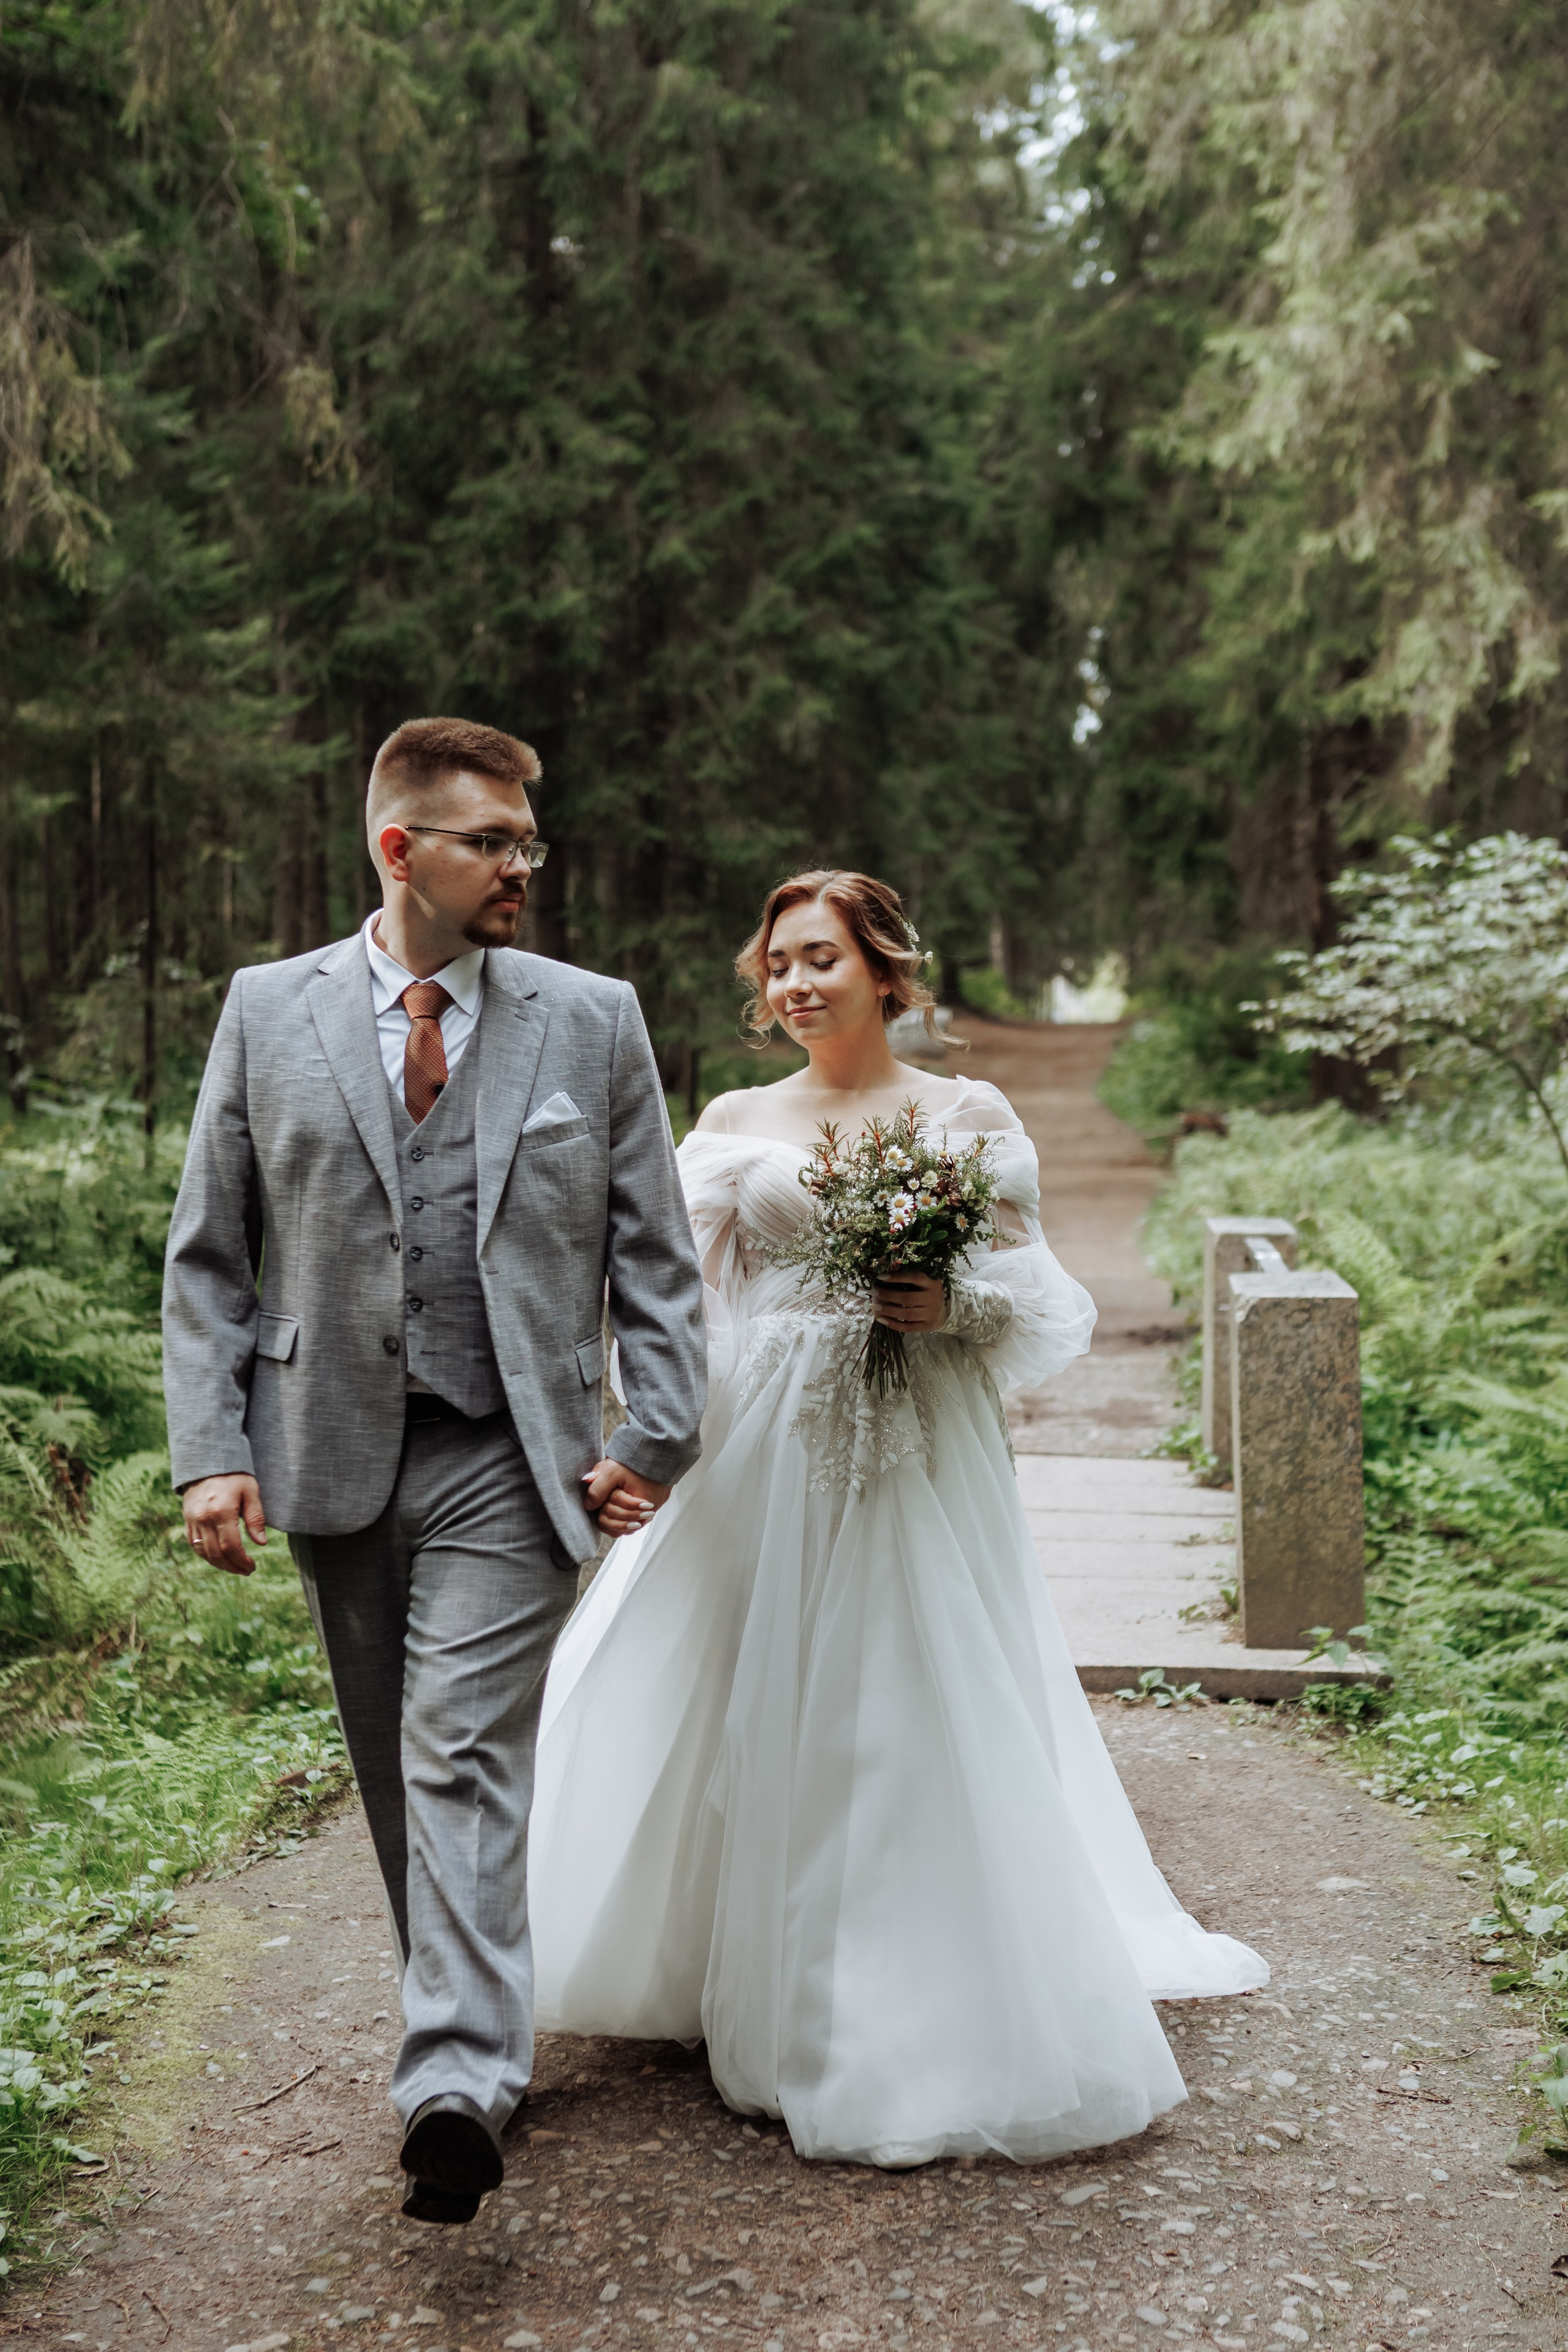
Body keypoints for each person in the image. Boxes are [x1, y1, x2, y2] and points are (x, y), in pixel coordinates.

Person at [528, 869, 1265, 2169]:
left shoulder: (961, 1112)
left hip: (917, 1441)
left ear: (881, 967)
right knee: (744, 1691)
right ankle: (736, 1956)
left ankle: (895, 1990)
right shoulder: (735, 1118)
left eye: (820, 956)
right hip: (763, 1439)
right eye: (776, 964)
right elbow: (687, 1306)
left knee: (904, 1697)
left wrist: (948, 1307)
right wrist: (653, 1444)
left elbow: (1038, 1297)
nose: (794, 982)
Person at [161, 717, 707, 2223]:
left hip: (511, 1455)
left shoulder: (588, 1021)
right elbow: (210, 1251)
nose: (523, 866)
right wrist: (209, 1451)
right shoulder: (269, 1013)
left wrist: (648, 1435)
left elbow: (656, 1258)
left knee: (459, 1744)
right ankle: (465, 2029)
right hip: (327, 1451)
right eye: (494, 842)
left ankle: (456, 2077)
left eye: (529, 842)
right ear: (400, 849)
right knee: (396, 1769)